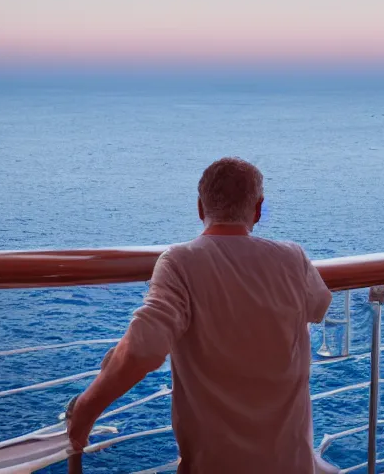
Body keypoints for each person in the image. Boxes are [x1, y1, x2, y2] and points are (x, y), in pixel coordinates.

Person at [66, 157, 333, 473]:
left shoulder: (180, 262)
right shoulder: (292, 258)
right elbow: (319, 307)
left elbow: (143, 349)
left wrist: (84, 412)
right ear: (258, 210)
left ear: (200, 208)